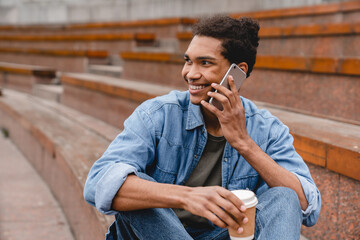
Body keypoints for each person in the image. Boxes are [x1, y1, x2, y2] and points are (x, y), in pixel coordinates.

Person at [84, 15, 321, 240]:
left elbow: (306, 207)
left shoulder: (267, 129)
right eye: (188, 61)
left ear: (238, 71)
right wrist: (187, 197)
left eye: (205, 63)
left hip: (225, 234)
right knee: (136, 188)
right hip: (160, 232)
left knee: (284, 196)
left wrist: (244, 143)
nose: (190, 73)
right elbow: (97, 184)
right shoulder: (158, 115)